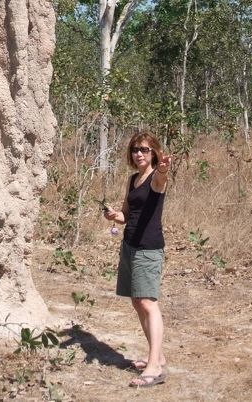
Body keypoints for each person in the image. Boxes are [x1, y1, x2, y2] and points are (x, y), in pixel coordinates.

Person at [104, 132, 172, 388]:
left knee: (148, 302)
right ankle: (158, 355)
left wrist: (163, 169)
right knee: (136, 301)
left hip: (148, 248)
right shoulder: (132, 180)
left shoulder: (156, 178)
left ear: (154, 152)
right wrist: (114, 216)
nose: (139, 153)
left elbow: (162, 178)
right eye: (135, 149)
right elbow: (125, 214)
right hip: (130, 245)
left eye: (144, 149)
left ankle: (154, 368)